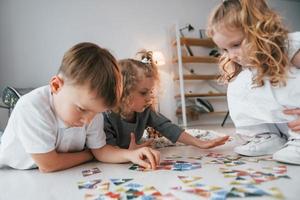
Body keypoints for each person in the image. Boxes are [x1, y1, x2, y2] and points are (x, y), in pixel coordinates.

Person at [0, 42, 160, 172]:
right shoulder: (32, 107)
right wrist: (90, 154)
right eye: (81, 109)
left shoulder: (91, 112)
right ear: (56, 86)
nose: (88, 120)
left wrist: (130, 155)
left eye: (97, 113)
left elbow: (102, 150)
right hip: (12, 173)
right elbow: (49, 164)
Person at [207, 0, 300, 164]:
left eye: (236, 44)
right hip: (282, 126)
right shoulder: (243, 66)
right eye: (225, 49)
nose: (231, 55)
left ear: (262, 30)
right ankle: (265, 136)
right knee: (237, 80)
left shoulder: (289, 49)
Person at [103, 50, 229, 150]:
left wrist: (199, 143)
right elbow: (105, 151)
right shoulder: (106, 116)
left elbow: (167, 127)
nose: (149, 98)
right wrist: (127, 154)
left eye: (150, 92)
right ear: (123, 91)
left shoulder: (145, 111)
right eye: (143, 92)